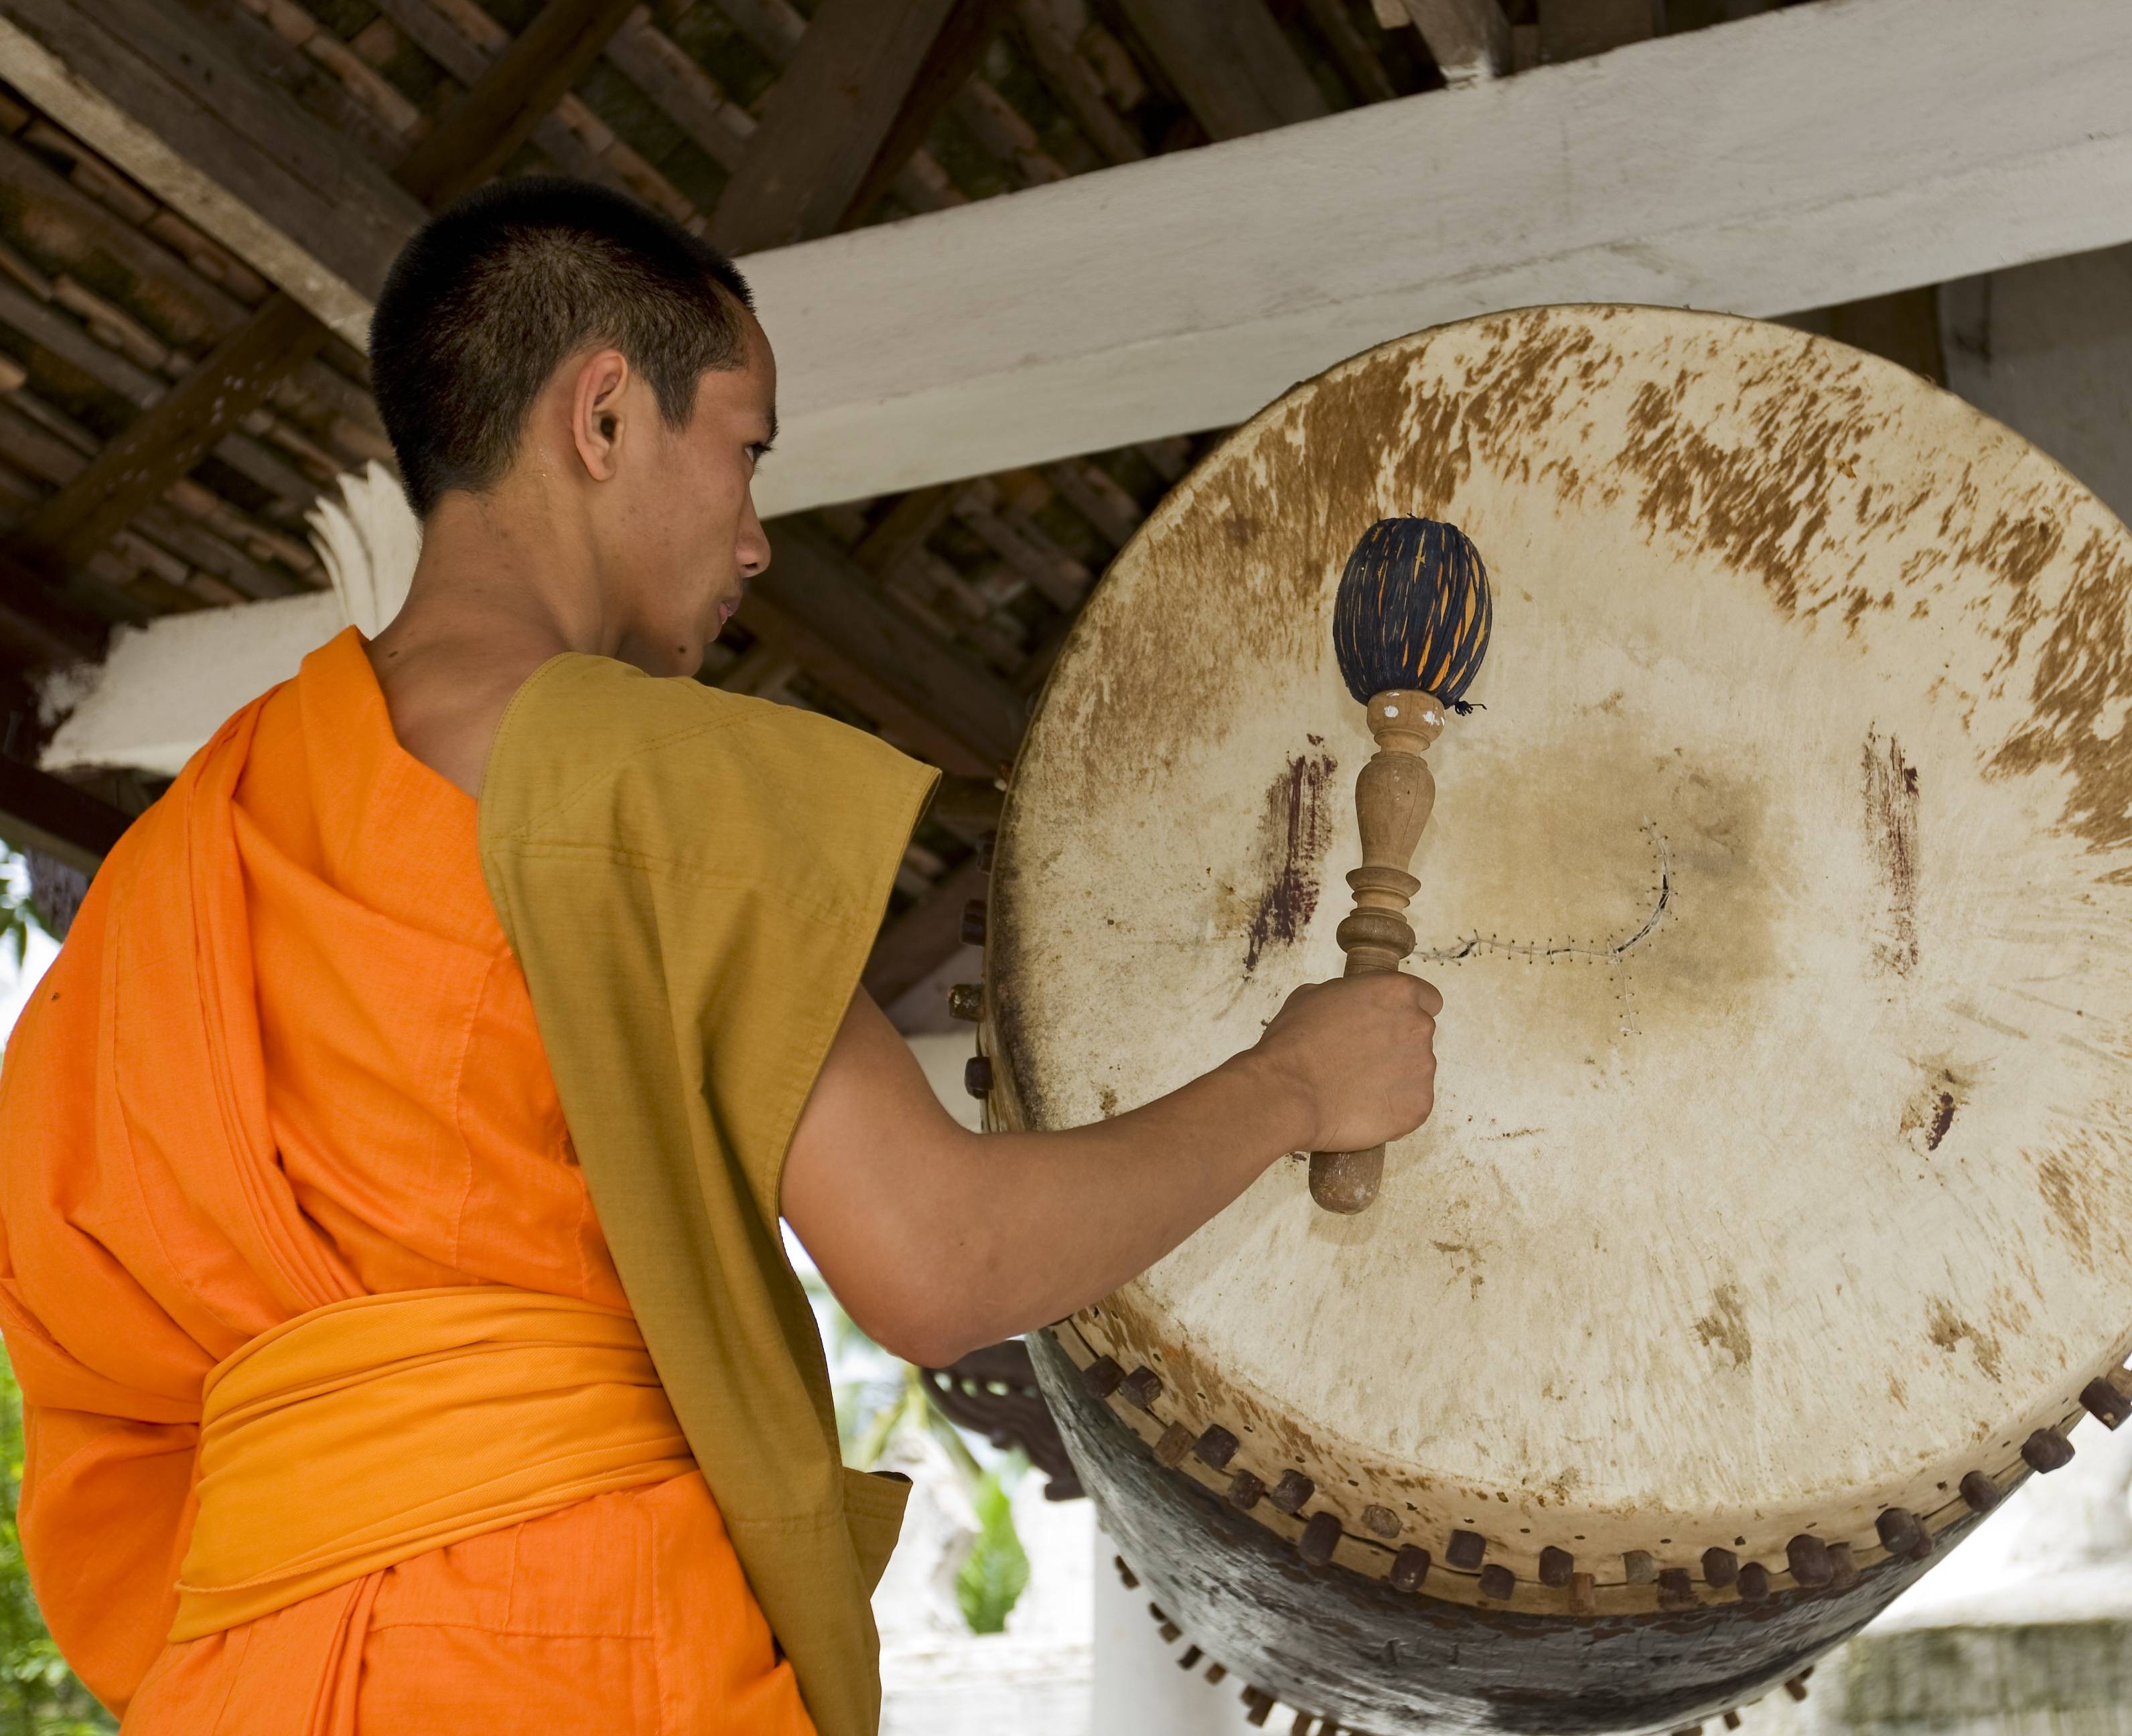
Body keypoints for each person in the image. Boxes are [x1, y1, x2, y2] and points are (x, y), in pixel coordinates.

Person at [0, 177, 1439, 1736]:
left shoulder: (161, 880)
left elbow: (100, 1394)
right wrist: (1296, 1081)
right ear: (604, 415)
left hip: (240, 1687)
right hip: (568, 1653)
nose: (754, 540)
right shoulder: (629, 777)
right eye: (744, 450)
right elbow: (940, 1263)